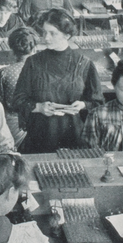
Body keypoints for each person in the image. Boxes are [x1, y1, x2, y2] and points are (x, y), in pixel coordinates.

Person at [11, 8, 103, 152]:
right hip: (40, 138)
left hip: (74, 139)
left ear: (67, 35)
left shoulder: (84, 64)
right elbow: (18, 100)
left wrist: (83, 105)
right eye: (44, 32)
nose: (46, 38)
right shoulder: (33, 62)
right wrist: (39, 107)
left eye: (53, 33)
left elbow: (98, 103)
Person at [0, 26, 38, 149]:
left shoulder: (4, 73)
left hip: (13, 128)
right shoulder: (44, 71)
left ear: (12, 50)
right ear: (34, 49)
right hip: (39, 125)